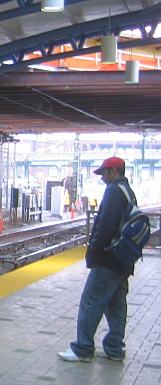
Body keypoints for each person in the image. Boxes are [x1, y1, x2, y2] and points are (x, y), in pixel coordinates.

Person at [58, 156, 135, 363]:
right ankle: (114, 348)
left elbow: (105, 225)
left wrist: (93, 249)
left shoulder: (113, 191)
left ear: (114, 172)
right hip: (124, 259)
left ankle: (83, 348)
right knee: (116, 303)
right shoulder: (128, 191)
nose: (102, 178)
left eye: (104, 173)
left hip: (108, 258)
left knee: (91, 301)